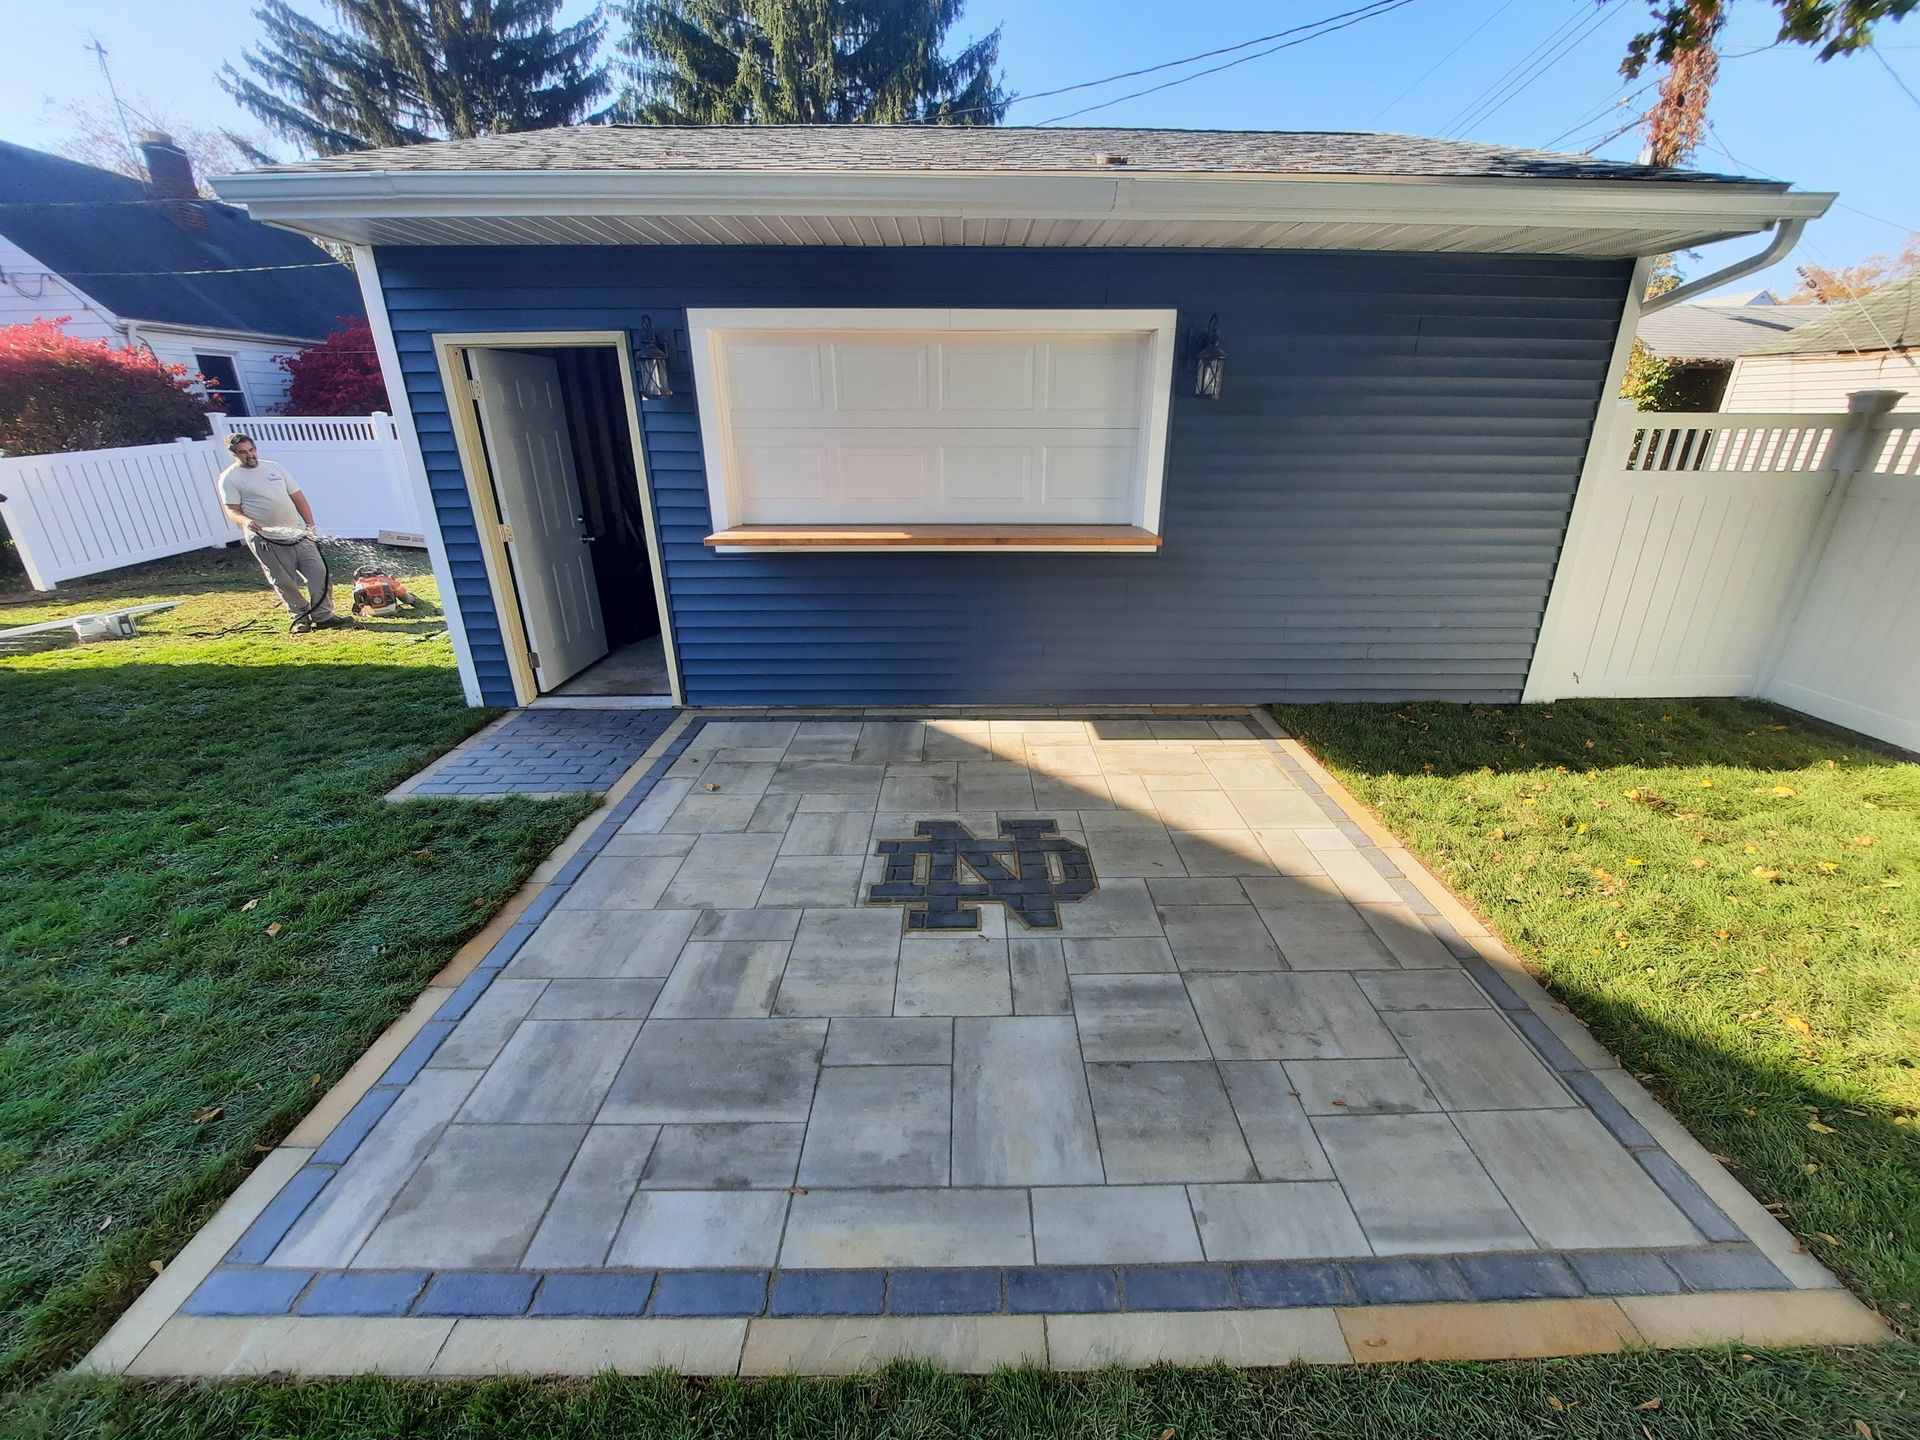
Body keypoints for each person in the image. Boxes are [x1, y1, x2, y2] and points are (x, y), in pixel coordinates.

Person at [216, 432, 344, 631]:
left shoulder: (274, 468)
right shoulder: (230, 478)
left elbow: (298, 497)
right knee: (285, 581)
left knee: (319, 572)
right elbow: (232, 510)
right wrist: (246, 522)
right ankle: (300, 618)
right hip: (266, 539)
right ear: (234, 454)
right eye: (243, 452)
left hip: (297, 534)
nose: (250, 455)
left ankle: (324, 615)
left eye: (252, 450)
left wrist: (310, 526)